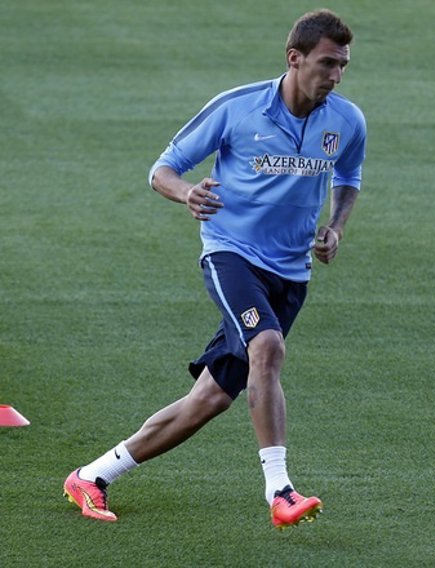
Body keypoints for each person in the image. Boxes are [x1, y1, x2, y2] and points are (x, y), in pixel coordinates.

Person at [63, 9, 366, 529]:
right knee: (267, 347)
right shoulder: (237, 108)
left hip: (291, 273)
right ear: (294, 59)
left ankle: (92, 476)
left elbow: (349, 176)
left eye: (343, 66)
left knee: (208, 400)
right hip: (231, 255)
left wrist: (336, 226)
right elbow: (162, 170)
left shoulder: (347, 120)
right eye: (327, 64)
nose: (336, 76)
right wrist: (187, 193)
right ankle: (281, 491)